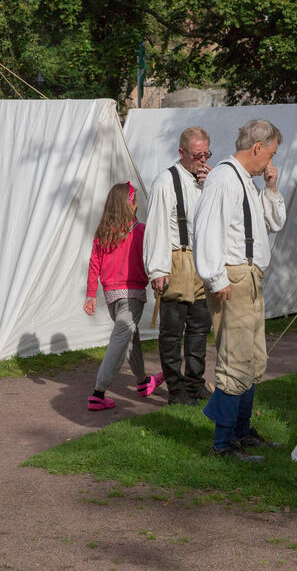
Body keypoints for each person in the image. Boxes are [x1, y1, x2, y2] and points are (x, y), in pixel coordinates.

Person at [193, 119, 287, 462]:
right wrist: (216, 279)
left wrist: (271, 188)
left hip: (249, 278)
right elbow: (206, 230)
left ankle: (242, 432)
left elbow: (274, 222)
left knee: (253, 358)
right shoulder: (222, 179)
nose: (270, 161)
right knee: (235, 359)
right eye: (271, 154)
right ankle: (222, 444)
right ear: (258, 148)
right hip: (232, 279)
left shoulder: (245, 180)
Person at [143, 126, 214, 405]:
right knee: (172, 331)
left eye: (206, 154)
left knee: (200, 327)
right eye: (197, 155)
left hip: (202, 260)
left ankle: (195, 383)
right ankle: (176, 389)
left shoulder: (207, 181)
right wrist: (157, 270)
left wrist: (211, 187)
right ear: (181, 152)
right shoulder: (165, 181)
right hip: (176, 259)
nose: (202, 160)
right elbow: (156, 227)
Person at [84, 182, 164, 411]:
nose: (138, 204)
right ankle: (98, 393)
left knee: (130, 336)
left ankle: (142, 382)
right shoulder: (141, 231)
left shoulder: (104, 232)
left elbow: (94, 264)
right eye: (136, 200)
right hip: (132, 295)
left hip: (111, 296)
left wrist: (91, 294)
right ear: (131, 205)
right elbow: (152, 258)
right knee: (120, 339)